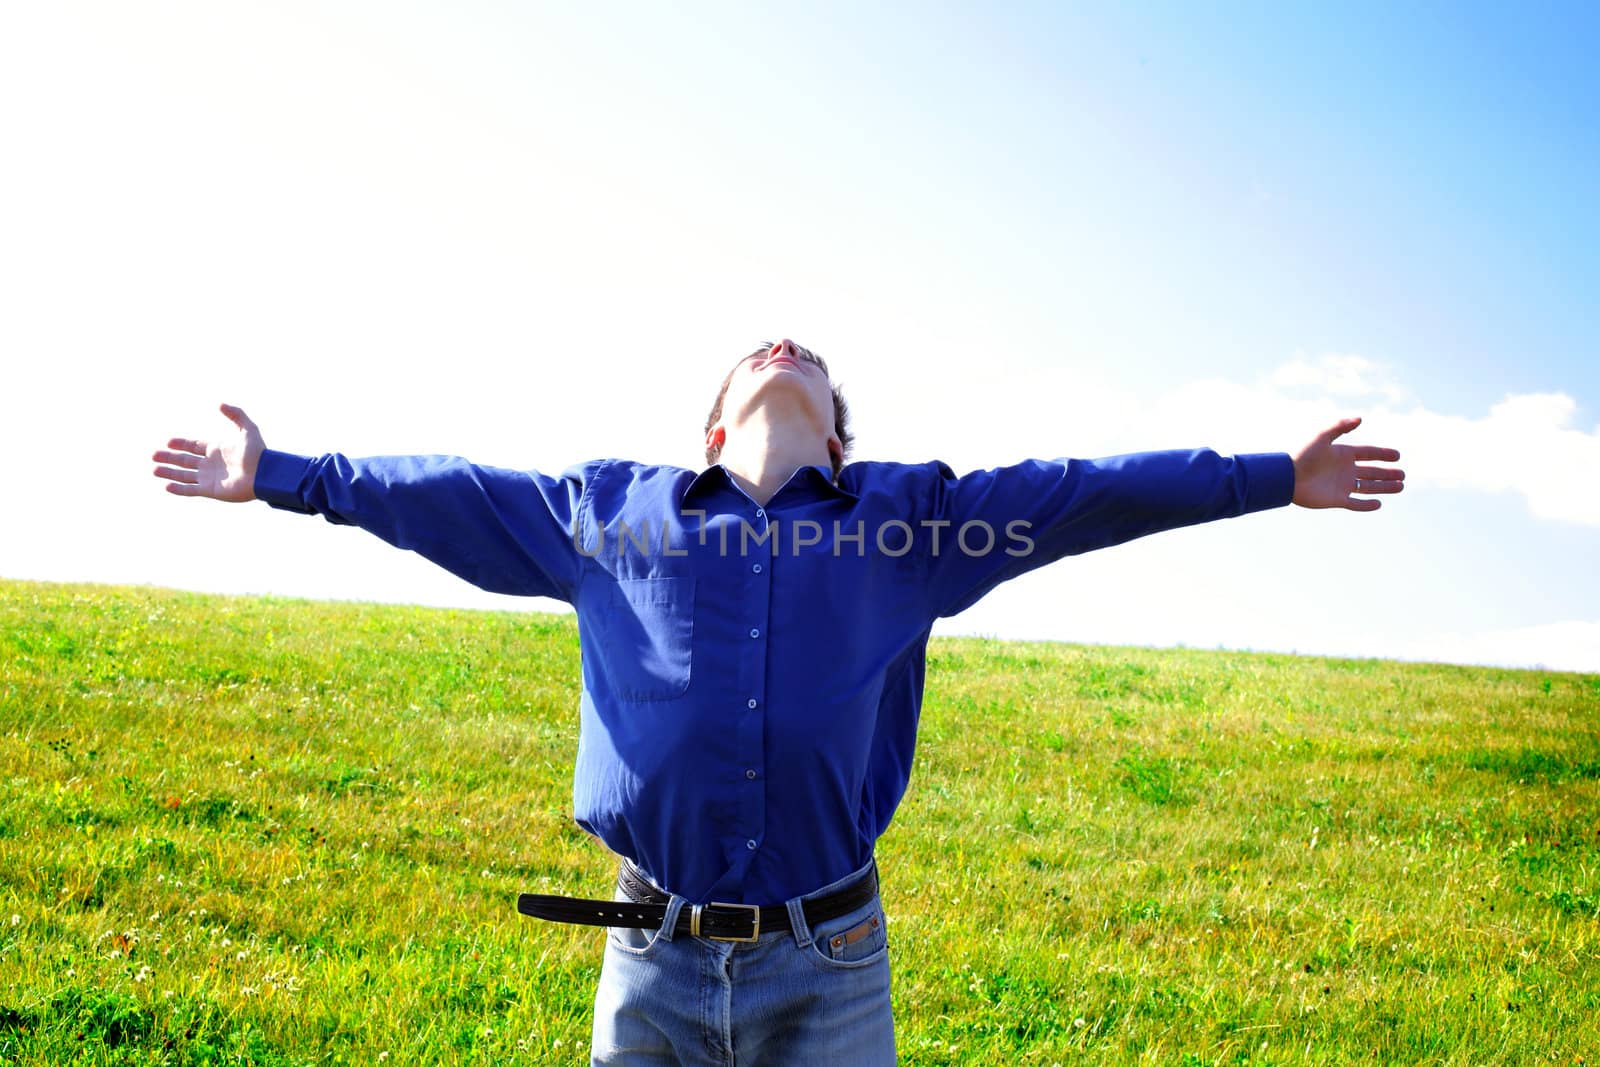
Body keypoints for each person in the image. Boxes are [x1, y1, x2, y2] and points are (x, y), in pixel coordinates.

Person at [152, 339, 1404, 1065]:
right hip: (647, 951)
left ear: (841, 446)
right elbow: (440, 494)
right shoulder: (607, 514)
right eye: (762, 353)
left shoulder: (916, 523)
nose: (787, 343)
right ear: (707, 432)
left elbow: (1082, 495)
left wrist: (1268, 479)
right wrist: (279, 476)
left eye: (809, 361)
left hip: (831, 958)